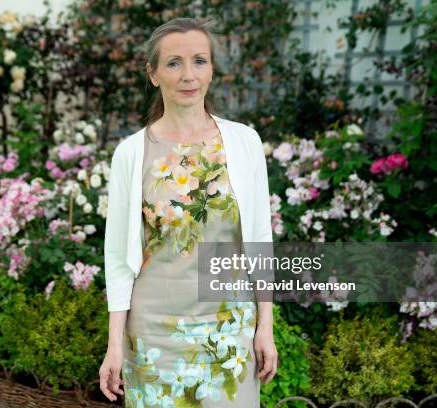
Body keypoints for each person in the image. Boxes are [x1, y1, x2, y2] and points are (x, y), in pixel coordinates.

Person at [99, 17, 277, 407]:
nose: (188, 75)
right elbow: (117, 259)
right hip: (153, 334)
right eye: (173, 63)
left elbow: (260, 239)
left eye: (199, 61)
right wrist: (114, 347)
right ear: (153, 73)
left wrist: (266, 327)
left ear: (211, 69)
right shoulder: (131, 152)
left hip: (229, 331)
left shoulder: (244, 142)